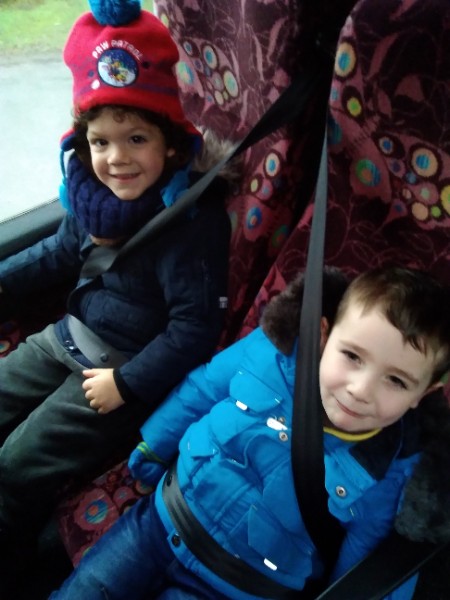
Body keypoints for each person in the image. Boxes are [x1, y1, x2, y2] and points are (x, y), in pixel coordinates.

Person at [50, 265, 450, 599]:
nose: (360, 390)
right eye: (352, 356)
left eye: (396, 381)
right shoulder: (272, 351)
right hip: (158, 523)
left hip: (235, 587)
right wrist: (155, 443)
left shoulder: (391, 468)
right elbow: (205, 386)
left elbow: (363, 554)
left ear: (423, 394)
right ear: (324, 335)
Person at [0, 0, 232, 566]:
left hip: (118, 370)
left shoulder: (189, 225)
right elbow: (59, 253)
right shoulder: (90, 199)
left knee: (17, 460)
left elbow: (194, 328)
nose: (116, 159)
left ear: (169, 144)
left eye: (135, 140)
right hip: (66, 336)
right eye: (100, 142)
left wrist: (125, 385)